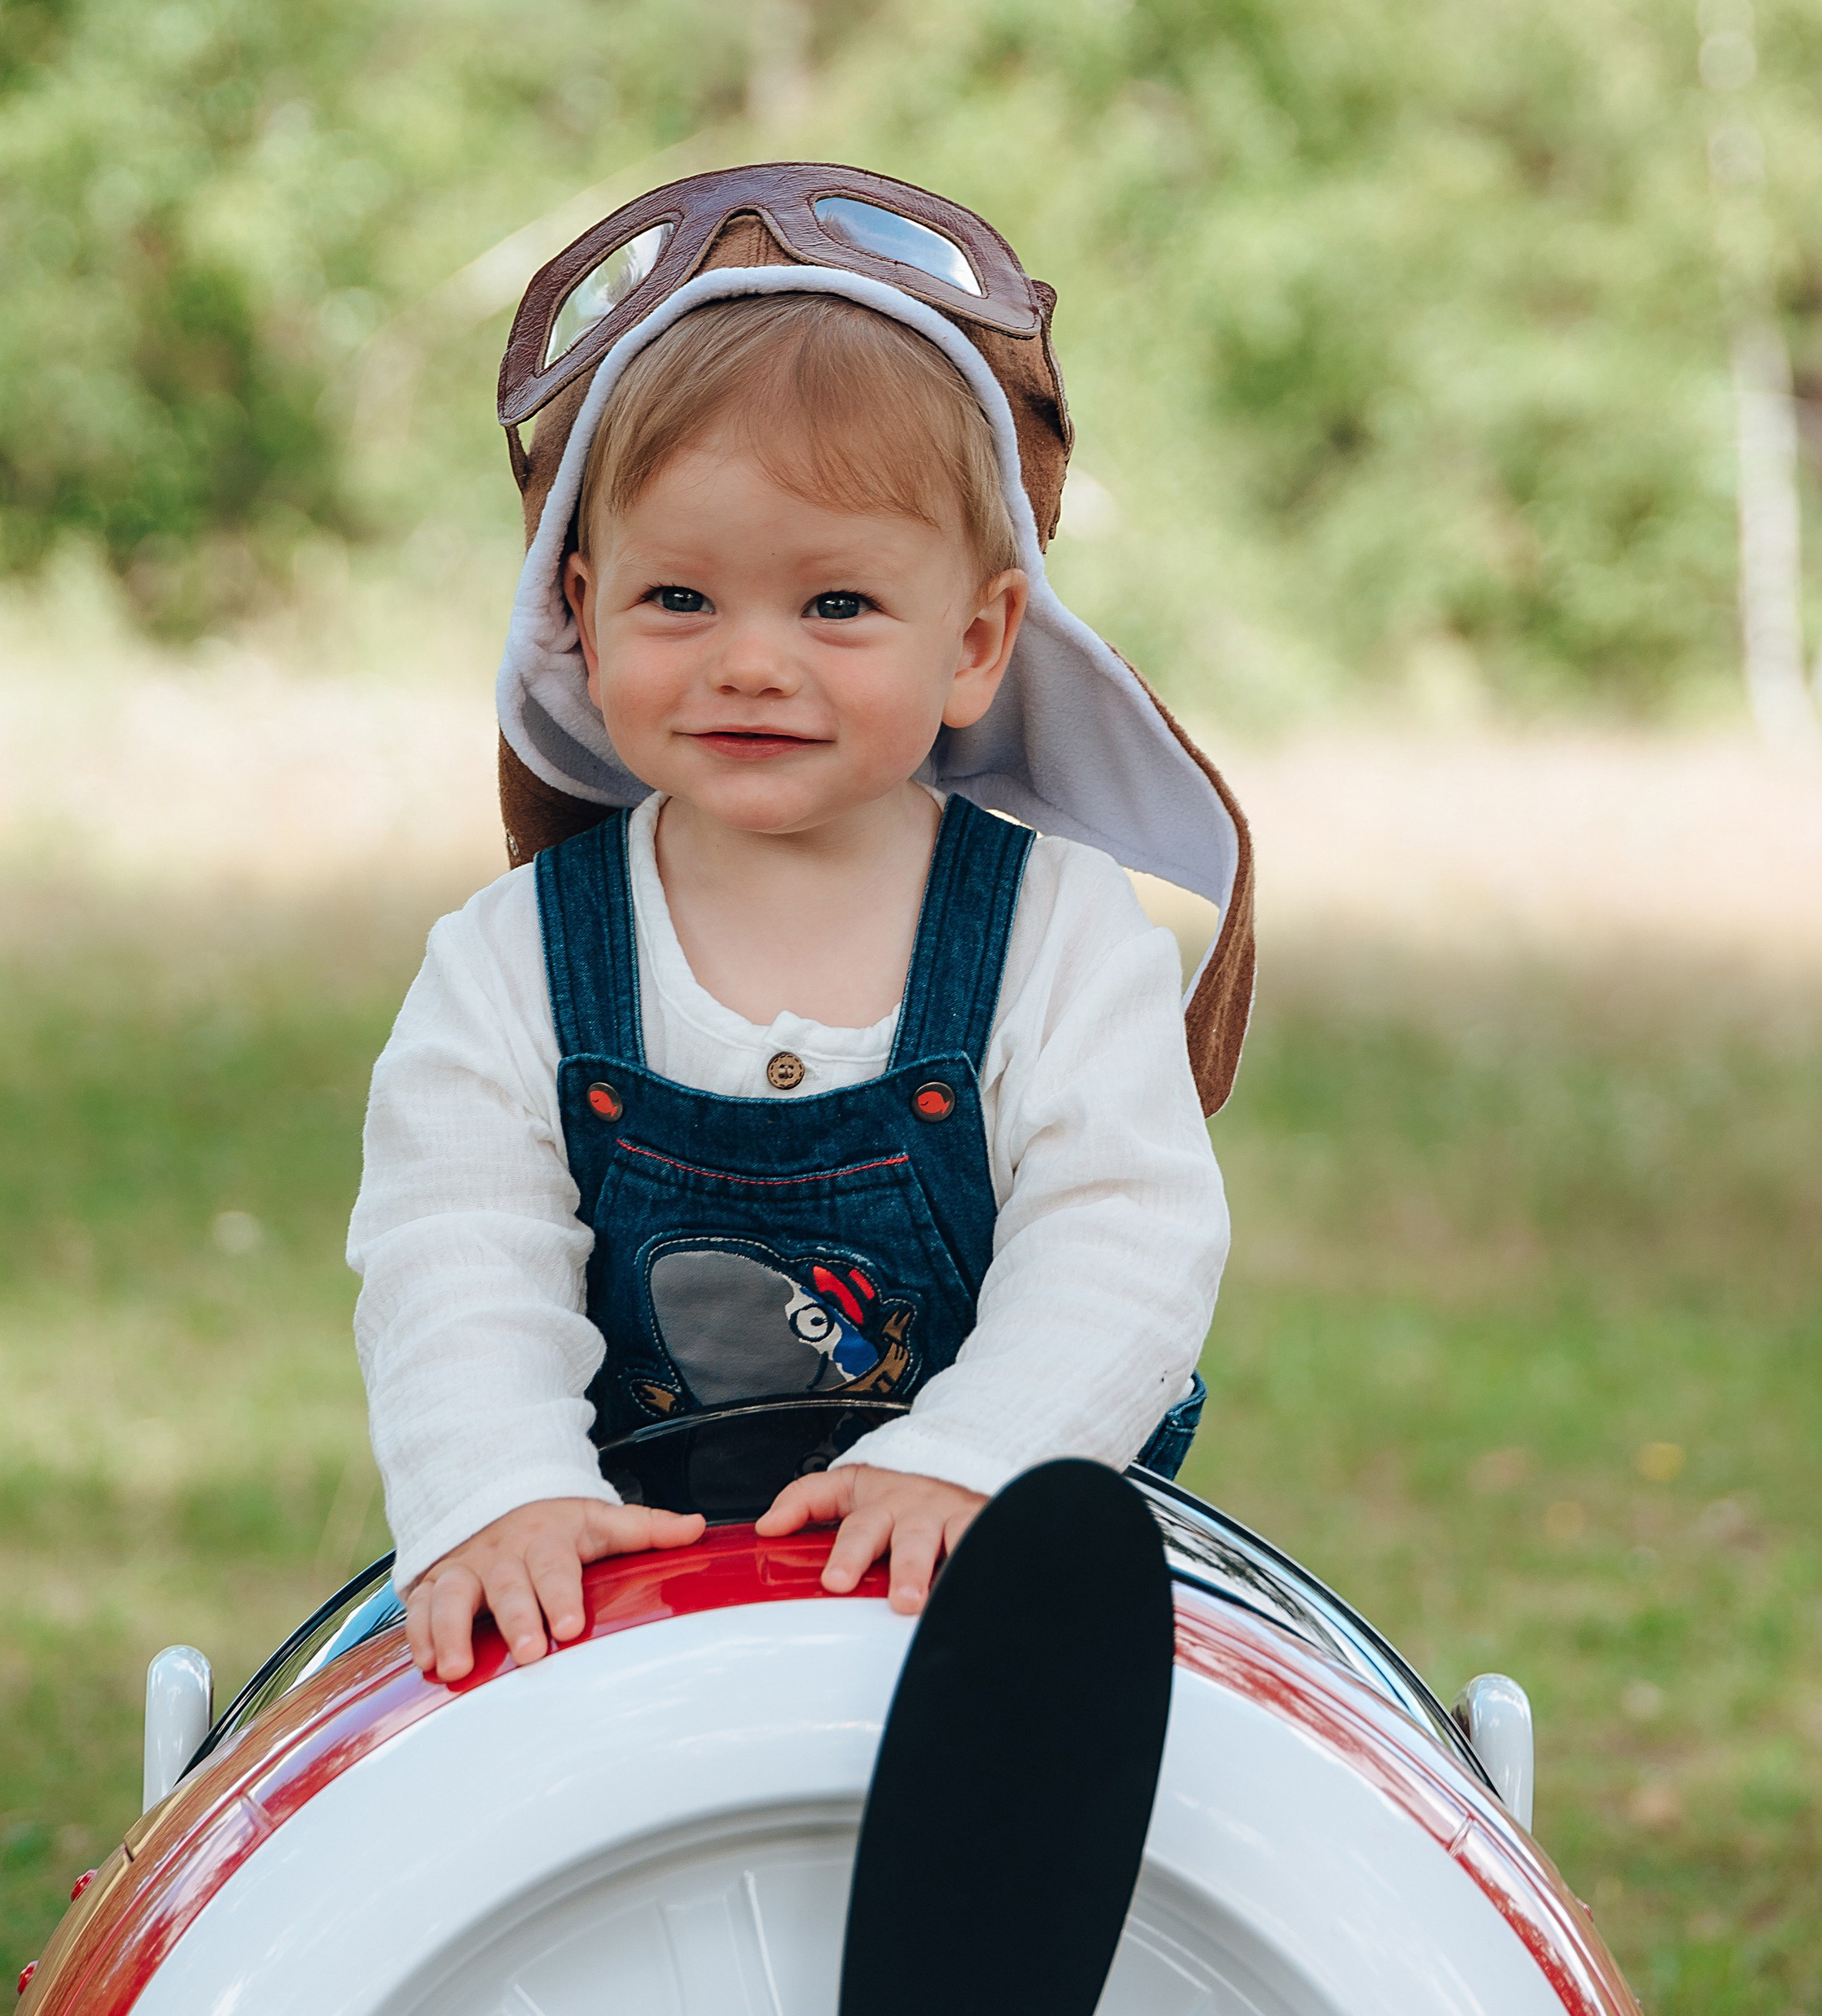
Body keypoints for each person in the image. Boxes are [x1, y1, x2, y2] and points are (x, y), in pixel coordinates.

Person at [347, 166, 1255, 1684]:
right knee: (393, 1774)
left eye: (834, 605)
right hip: (613, 1574)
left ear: (975, 640)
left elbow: (1124, 1234)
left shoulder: (1055, 929)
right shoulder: (511, 960)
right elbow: (456, 1252)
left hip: (980, 1559)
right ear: (579, 611)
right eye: (680, 600)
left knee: (1157, 1758)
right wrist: (503, 1492)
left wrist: (978, 1456)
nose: (751, 662)